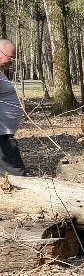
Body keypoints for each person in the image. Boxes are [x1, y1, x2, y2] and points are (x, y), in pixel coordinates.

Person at [0, 38, 26, 176]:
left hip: (4, 135)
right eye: (10, 57)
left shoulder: (1, 73)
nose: (12, 61)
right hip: (1, 138)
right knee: (17, 176)